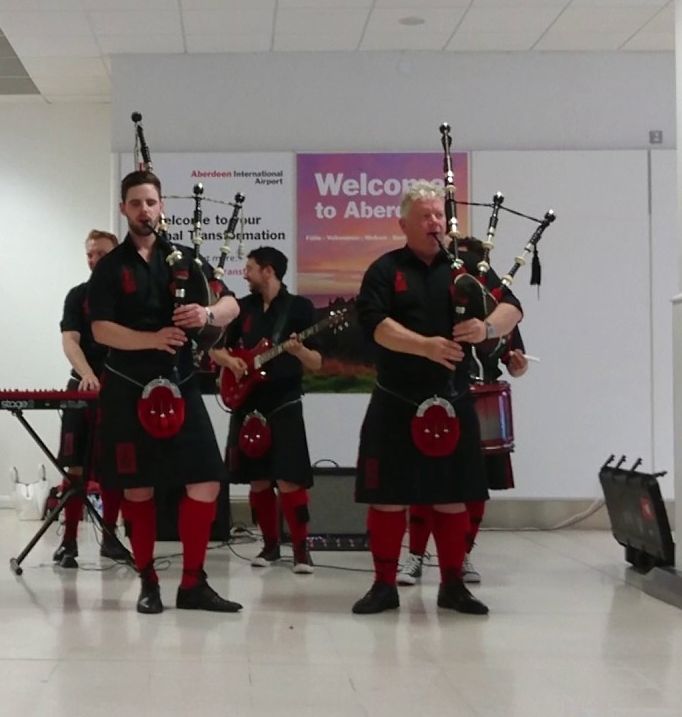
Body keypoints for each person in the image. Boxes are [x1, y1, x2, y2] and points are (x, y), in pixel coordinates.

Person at [351, 181, 522, 616]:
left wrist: (486, 329)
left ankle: (452, 587)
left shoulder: (467, 269)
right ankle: (384, 585)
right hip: (397, 398)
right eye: (424, 216)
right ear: (403, 223)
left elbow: (512, 308)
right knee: (387, 495)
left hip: (453, 398)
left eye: (438, 215)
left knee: (453, 495)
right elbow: (375, 325)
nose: (434, 223)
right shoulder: (385, 270)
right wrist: (425, 345)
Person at [87, 170, 242, 614]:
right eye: (135, 204)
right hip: (129, 388)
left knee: (207, 482)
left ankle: (192, 583)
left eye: (150, 202)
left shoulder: (185, 259)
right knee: (138, 490)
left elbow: (232, 304)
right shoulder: (111, 268)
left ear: (161, 206)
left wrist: (207, 313)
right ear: (123, 210)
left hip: (181, 385)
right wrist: (152, 339)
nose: (144, 211)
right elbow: (100, 329)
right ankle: (148, 581)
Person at [399, 236, 531, 585]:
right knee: (426, 481)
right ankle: (414, 556)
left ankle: (463, 555)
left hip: (481, 399)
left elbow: (513, 358)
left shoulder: (493, 308)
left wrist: (516, 364)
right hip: (434, 399)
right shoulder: (429, 302)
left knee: (475, 484)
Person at [209, 247, 322, 574]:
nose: (245, 273)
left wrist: (299, 351)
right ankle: (270, 546)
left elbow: (317, 361)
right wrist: (232, 362)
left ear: (268, 271)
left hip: (283, 401)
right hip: (247, 403)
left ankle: (302, 549)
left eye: (250, 268)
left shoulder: (299, 308)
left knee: (289, 478)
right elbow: (214, 349)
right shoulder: (241, 309)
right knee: (257, 479)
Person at [52, 230, 133, 567]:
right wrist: (86, 373)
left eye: (101, 254)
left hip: (120, 388)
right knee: (74, 469)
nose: (95, 260)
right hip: (82, 388)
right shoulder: (77, 296)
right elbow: (70, 340)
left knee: (117, 466)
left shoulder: (130, 297)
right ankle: (68, 541)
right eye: (90, 254)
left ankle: (110, 538)